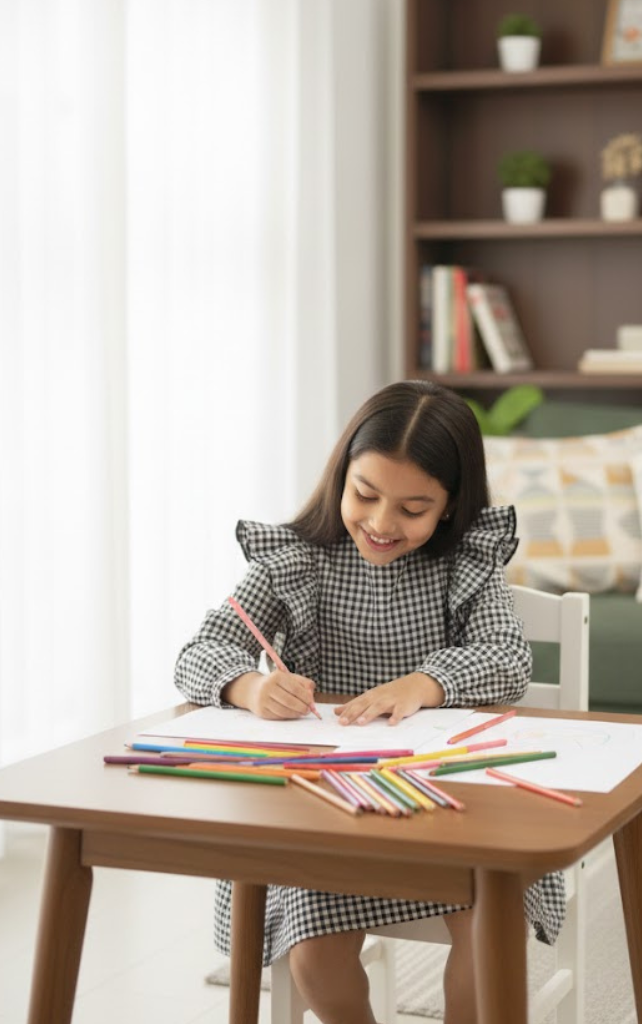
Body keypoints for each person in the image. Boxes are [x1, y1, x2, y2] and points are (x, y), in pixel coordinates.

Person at [174, 379, 565, 1024]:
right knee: (313, 953)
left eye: (413, 509)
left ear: (450, 505)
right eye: (366, 495)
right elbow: (198, 653)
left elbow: (509, 658)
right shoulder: (295, 559)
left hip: (456, 805)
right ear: (341, 477)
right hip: (330, 811)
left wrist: (425, 683)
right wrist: (250, 687)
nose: (383, 524)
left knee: (488, 927)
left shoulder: (466, 561)